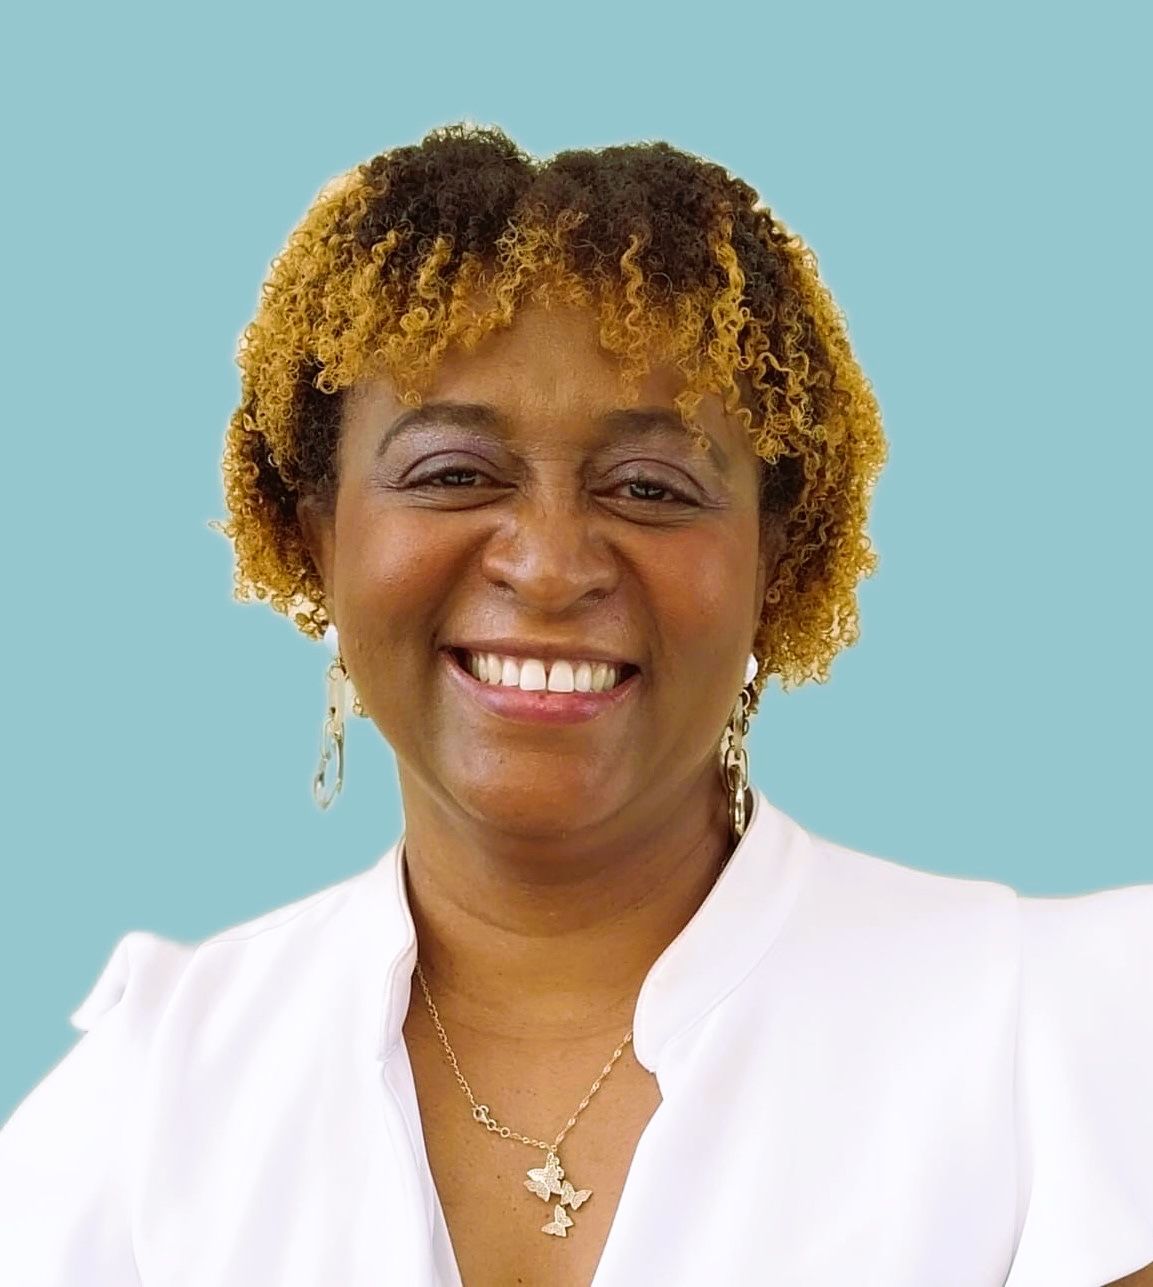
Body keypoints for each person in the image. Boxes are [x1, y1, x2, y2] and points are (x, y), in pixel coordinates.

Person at [1, 122, 1150, 1287]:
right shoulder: (156, 1093)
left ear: (774, 564)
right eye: (453, 474)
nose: (549, 566)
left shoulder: (1059, 1032)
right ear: (318, 538)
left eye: (650, 488)